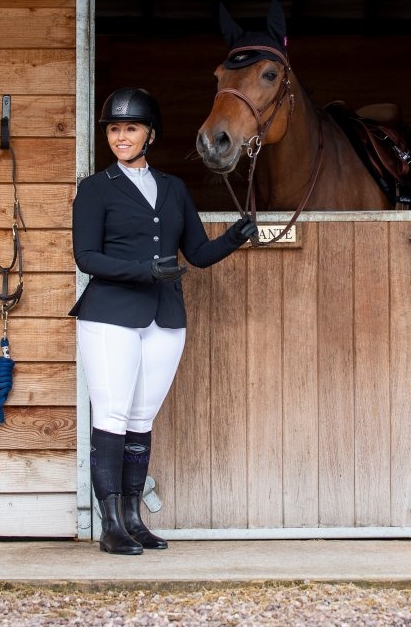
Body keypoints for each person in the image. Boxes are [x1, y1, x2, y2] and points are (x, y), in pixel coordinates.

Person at [69, 86, 257, 555]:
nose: (120, 136)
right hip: (109, 315)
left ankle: (134, 517)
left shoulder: (173, 188)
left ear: (150, 134)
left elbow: (195, 253)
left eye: (130, 128)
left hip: (165, 317)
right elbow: (85, 256)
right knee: (111, 416)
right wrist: (142, 271)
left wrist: (235, 236)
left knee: (140, 418)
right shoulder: (94, 189)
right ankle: (110, 524)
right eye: (114, 129)